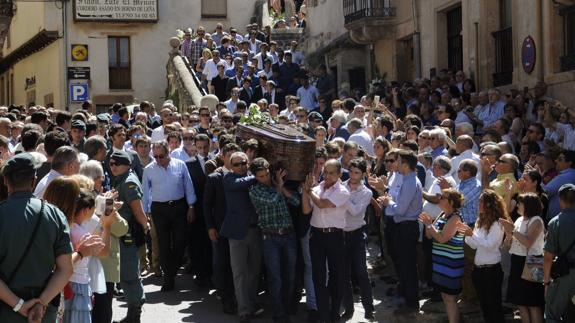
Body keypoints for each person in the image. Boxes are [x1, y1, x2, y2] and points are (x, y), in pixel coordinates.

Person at [0, 154, 78, 323]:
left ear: (5, 180)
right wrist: (41, 303)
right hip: (42, 313)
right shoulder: (55, 215)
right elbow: (66, 269)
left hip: (5, 312)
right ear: (34, 180)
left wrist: (19, 305)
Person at [248, 158, 299, 323]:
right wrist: (279, 186)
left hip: (289, 235)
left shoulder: (277, 185)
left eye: (267, 174)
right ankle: (279, 313)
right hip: (270, 237)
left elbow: (296, 201)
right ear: (256, 177)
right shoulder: (254, 190)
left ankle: (286, 306)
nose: (265, 178)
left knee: (290, 275)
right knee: (275, 277)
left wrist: (281, 185)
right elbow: (271, 201)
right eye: (261, 176)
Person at [142, 141, 196, 292]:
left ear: (168, 153)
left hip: (179, 206)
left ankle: (172, 268)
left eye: (161, 156)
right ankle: (169, 277)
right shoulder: (149, 170)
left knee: (180, 241)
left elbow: (188, 185)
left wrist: (191, 206)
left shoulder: (180, 165)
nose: (158, 159)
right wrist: (146, 213)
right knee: (163, 243)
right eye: (156, 156)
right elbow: (146, 193)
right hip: (159, 209)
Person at [301, 159, 350, 322]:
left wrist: (308, 192)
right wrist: (305, 192)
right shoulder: (316, 188)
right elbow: (307, 209)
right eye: (325, 172)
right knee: (318, 276)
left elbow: (322, 204)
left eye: (331, 173)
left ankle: (334, 311)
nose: (327, 176)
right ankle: (323, 315)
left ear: (339, 174)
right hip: (317, 236)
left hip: (334, 236)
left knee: (336, 276)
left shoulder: (343, 191)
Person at [219, 151, 262, 323]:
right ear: (231, 166)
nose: (241, 166)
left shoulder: (253, 176)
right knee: (239, 272)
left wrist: (257, 176)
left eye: (243, 163)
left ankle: (251, 304)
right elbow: (239, 184)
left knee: (254, 271)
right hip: (237, 233)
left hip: (254, 231)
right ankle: (244, 310)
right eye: (236, 164)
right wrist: (256, 176)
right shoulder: (228, 178)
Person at [378, 150, 422, 313]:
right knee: (404, 264)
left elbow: (401, 210)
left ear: (405, 164)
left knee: (408, 265)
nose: (395, 164)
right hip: (403, 227)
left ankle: (411, 301)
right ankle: (406, 295)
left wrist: (389, 202)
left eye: (398, 161)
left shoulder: (410, 182)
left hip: (406, 227)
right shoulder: (407, 179)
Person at [108, 150, 149, 322]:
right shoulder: (122, 179)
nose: (113, 167)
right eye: (111, 164)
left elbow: (137, 210)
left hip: (128, 235)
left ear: (127, 165)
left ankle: (134, 314)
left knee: (129, 273)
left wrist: (144, 227)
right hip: (122, 233)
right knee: (125, 273)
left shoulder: (129, 182)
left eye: (117, 164)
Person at [203, 143, 242, 314]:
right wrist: (210, 227)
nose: (236, 162)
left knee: (239, 266)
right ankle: (226, 298)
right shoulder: (214, 178)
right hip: (221, 229)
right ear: (223, 158)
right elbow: (206, 205)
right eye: (231, 157)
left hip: (240, 229)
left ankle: (239, 298)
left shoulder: (243, 176)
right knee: (223, 263)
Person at [459, 190, 508, 323]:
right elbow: (474, 245)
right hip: (479, 270)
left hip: (492, 271)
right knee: (484, 306)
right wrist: (467, 235)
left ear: (489, 204)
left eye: (481, 201)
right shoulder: (479, 221)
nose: (478, 204)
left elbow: (490, 245)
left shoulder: (498, 223)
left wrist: (472, 235)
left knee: (494, 307)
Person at [419, 188, 465, 323]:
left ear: (451, 202)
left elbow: (442, 238)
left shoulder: (455, 218)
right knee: (445, 296)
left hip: (451, 264)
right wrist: (428, 225)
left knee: (450, 298)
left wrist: (429, 225)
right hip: (440, 263)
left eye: (443, 197)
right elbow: (429, 235)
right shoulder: (442, 214)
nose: (439, 199)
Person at [500, 193, 545, 323]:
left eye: (520, 203)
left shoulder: (536, 220)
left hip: (533, 262)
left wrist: (512, 230)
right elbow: (510, 243)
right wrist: (508, 235)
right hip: (517, 261)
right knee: (521, 303)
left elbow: (528, 242)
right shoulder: (519, 220)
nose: (517, 205)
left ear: (529, 205)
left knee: (533, 304)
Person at [341, 158, 374, 320]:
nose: (353, 175)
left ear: (362, 175)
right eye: (351, 171)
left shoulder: (366, 192)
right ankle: (348, 308)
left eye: (357, 172)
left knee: (361, 272)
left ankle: (369, 307)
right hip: (340, 234)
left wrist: (342, 197)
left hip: (357, 234)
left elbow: (354, 211)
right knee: (344, 274)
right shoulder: (340, 186)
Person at [543, 184, 575, 322]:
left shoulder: (555, 222)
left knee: (552, 315)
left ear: (560, 200)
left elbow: (548, 257)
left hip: (565, 275)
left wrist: (546, 281)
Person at [185, 134, 212, 286]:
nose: (203, 150)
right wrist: (191, 207)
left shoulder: (216, 161)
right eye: (200, 147)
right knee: (197, 241)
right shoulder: (189, 164)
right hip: (197, 207)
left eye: (205, 147)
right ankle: (200, 273)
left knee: (211, 243)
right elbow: (188, 188)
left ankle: (210, 273)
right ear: (195, 147)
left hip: (213, 208)